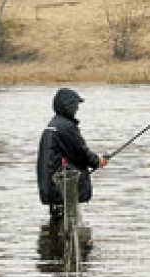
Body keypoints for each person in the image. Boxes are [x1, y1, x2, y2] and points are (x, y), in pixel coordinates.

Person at [37, 88, 109, 221]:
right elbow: (81, 153)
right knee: (70, 225)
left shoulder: (52, 125)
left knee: (57, 223)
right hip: (64, 189)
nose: (77, 108)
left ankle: (55, 241)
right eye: (75, 105)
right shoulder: (67, 127)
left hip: (52, 187)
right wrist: (98, 161)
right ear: (67, 106)